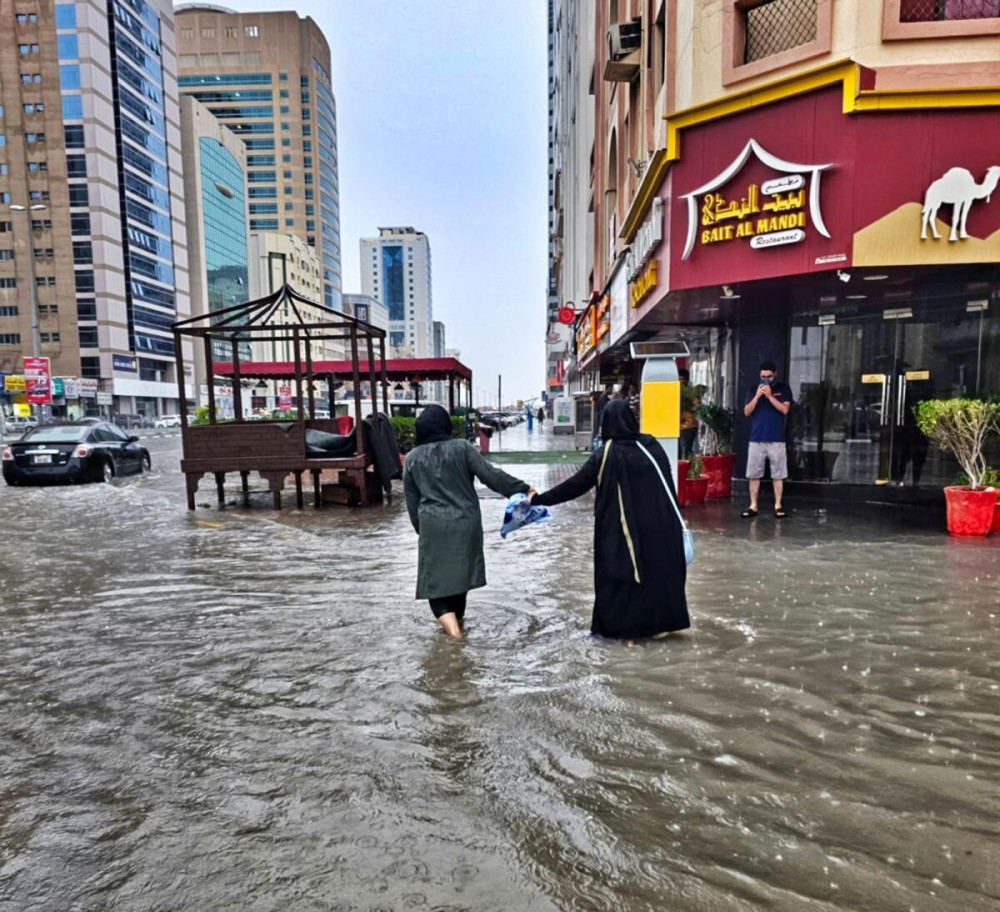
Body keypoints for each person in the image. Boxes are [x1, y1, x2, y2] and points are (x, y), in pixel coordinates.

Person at [531, 400, 689, 641]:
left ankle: (623, 635)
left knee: (621, 578)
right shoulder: (652, 446)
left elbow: (575, 486)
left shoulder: (606, 453)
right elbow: (667, 484)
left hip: (623, 532)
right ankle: (657, 627)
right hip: (661, 529)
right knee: (656, 577)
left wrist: (538, 499)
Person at [403, 405, 533, 638]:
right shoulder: (462, 449)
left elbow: (412, 505)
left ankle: (454, 639)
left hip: (433, 527)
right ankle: (458, 634)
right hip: (466, 524)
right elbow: (491, 476)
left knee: (436, 589)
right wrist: (523, 489)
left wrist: (423, 532)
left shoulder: (413, 459)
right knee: (458, 584)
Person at [742, 360, 793, 519]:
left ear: (775, 375)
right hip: (757, 438)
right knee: (754, 474)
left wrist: (770, 396)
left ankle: (778, 505)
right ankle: (753, 505)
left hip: (776, 438)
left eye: (769, 376)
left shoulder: (783, 388)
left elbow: (785, 410)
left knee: (778, 474)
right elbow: (747, 412)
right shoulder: (753, 389)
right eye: (763, 376)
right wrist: (757, 396)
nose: (766, 379)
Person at [678, 368, 700, 458]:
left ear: (686, 380)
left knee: (686, 450)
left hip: (688, 426)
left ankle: (688, 469)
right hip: (677, 426)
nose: (681, 382)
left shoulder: (691, 392)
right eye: (679, 379)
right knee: (679, 452)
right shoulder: (675, 391)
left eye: (683, 379)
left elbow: (697, 406)